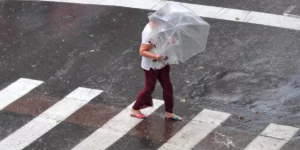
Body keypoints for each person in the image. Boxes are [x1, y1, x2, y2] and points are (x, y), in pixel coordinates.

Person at [130, 16, 182, 121]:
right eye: (152, 22)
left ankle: (169, 112)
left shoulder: (162, 27)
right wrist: (154, 56)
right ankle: (135, 109)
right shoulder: (148, 32)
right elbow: (142, 51)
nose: (153, 24)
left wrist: (170, 40)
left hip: (163, 62)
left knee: (168, 87)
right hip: (151, 66)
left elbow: (163, 40)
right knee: (149, 88)